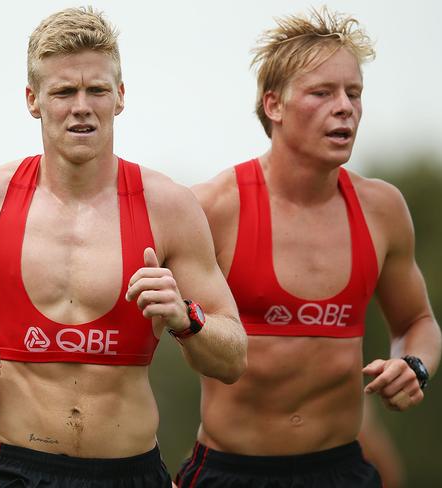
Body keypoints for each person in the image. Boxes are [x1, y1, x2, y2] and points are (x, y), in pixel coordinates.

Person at [0, 6, 247, 488]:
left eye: (96, 90)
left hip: (128, 471)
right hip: (13, 467)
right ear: (33, 100)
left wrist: (186, 316)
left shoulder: (169, 206)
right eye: (64, 91)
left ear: (121, 96)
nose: (81, 106)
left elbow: (234, 358)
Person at [176, 7, 441, 488]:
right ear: (273, 105)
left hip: (342, 470)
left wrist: (414, 365)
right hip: (230, 472)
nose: (345, 107)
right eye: (322, 93)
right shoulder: (213, 207)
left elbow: (417, 323)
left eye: (354, 93)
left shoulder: (383, 209)